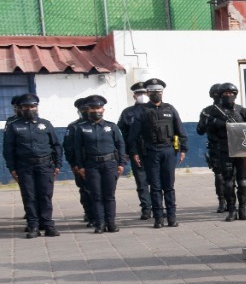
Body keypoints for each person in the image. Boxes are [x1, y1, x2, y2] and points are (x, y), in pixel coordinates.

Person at [128, 78, 187, 228]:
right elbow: (133, 135)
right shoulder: (142, 111)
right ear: (148, 93)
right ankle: (158, 219)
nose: (156, 94)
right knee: (155, 187)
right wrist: (134, 152)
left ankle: (172, 218)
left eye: (159, 91)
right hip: (151, 152)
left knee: (169, 186)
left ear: (162, 92)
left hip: (168, 151)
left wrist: (183, 149)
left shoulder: (170, 109)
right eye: (153, 92)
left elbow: (180, 131)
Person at [63, 94, 126, 233]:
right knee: (96, 196)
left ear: (103, 109)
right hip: (91, 166)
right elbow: (78, 149)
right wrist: (80, 166)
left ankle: (111, 223)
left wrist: (121, 163)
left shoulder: (111, 126)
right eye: (93, 108)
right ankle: (100, 224)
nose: (96, 111)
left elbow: (120, 145)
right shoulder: (81, 128)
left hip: (109, 164)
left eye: (98, 108)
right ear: (88, 110)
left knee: (109, 195)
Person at [3, 93, 62, 238]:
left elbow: (56, 145)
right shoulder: (14, 126)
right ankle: (33, 226)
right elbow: (8, 149)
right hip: (25, 167)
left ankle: (48, 225)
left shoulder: (45, 124)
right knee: (29, 196)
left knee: (45, 195)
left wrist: (58, 164)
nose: (29, 109)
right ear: (21, 108)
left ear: (37, 107)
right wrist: (12, 168)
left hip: (45, 165)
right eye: (26, 107)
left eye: (32, 106)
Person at [198, 83, 246, 222]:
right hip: (224, 149)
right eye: (225, 94)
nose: (228, 96)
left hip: (241, 150)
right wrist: (213, 122)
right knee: (227, 182)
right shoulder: (213, 111)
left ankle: (242, 209)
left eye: (231, 93)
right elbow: (202, 129)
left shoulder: (242, 111)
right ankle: (231, 209)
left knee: (243, 183)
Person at [117, 81, 152, 220]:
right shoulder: (128, 113)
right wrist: (129, 152)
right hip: (137, 152)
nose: (142, 95)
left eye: (144, 92)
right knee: (142, 182)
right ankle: (146, 209)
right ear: (134, 96)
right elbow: (123, 134)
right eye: (139, 93)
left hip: (155, 151)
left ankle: (159, 207)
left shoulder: (157, 109)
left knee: (158, 182)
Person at [67, 98, 96, 226]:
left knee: (100, 191)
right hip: (81, 164)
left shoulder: (99, 124)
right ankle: (90, 215)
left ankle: (100, 215)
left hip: (96, 163)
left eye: (87, 109)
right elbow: (69, 148)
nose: (85, 112)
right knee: (85, 191)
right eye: (82, 110)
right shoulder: (73, 126)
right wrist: (73, 164)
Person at [200, 83, 228, 214]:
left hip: (230, 146)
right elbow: (200, 130)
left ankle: (230, 201)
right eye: (215, 95)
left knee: (231, 176)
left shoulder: (233, 110)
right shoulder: (207, 111)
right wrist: (206, 121)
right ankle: (222, 201)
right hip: (215, 147)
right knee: (220, 176)